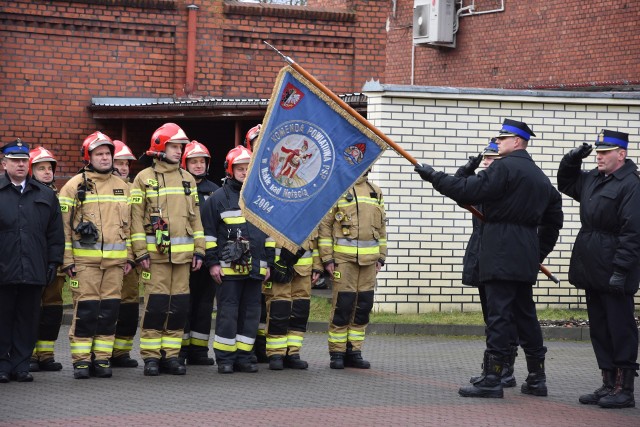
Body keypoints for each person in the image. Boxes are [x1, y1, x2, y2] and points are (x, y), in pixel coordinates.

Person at [415, 119, 563, 399]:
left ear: (517, 142)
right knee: (525, 315)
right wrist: (536, 252)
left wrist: (434, 176)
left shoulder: (504, 168)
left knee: (498, 317)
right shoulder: (539, 177)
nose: (497, 143)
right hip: (523, 256)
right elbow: (555, 219)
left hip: (499, 253)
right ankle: (536, 377)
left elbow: (467, 191)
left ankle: (493, 378)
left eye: (502, 139)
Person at [557, 129, 640, 409]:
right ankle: (607, 382)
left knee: (620, 327)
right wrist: (572, 160)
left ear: (622, 154)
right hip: (592, 263)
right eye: (598, 152)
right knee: (600, 328)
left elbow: (633, 233)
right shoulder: (593, 178)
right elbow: (566, 183)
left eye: (605, 152)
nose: (599, 157)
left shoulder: (631, 184)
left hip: (616, 266)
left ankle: (624, 388)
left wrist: (621, 270)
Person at [130, 123, 206, 376]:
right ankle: (151, 357)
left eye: (180, 147)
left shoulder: (188, 179)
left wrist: (199, 250)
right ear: (160, 147)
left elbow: (195, 218)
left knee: (178, 307)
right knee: (156, 306)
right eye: (174, 146)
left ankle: (171, 356)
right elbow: (135, 219)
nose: (179, 151)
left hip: (183, 258)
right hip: (155, 257)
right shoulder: (143, 179)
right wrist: (140, 252)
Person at [59, 131, 134, 379]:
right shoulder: (73, 186)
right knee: (87, 310)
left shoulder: (123, 187)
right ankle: (81, 361)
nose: (104, 158)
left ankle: (101, 359)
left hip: (115, 264)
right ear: (88, 156)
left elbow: (131, 228)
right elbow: (64, 228)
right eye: (99, 154)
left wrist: (130, 257)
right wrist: (67, 260)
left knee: (110, 310)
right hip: (85, 263)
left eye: (107, 154)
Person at [202, 145, 275, 374]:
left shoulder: (261, 197)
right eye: (239, 168)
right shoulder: (217, 198)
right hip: (229, 271)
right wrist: (213, 263)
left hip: (256, 268)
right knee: (228, 314)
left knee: (251, 314)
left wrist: (269, 263)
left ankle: (245, 357)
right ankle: (225, 358)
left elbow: (270, 233)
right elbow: (209, 234)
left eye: (248, 168)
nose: (244, 172)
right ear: (230, 170)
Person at [455, 139, 520, 388]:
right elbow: (459, 188)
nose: (485, 163)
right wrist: (469, 166)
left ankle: (505, 369)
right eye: (484, 158)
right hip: (482, 257)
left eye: (490, 159)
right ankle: (493, 367)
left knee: (504, 316)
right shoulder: (483, 186)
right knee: (490, 316)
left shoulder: (507, 188)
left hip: (502, 258)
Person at [0, 139, 64, 383]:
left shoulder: (45, 195)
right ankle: (2, 365)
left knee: (28, 320)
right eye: (15, 160)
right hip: (3, 269)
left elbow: (55, 234)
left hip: (34, 268)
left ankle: (21, 365)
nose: (20, 164)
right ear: (4, 163)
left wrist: (53, 263)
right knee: (3, 319)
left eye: (24, 160)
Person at [318, 169, 387, 370]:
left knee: (363, 307)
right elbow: (325, 228)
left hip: (369, 262)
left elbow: (382, 230)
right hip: (343, 261)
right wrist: (327, 258)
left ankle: (354, 351)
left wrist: (381, 257)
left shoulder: (376, 191)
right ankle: (337, 353)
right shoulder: (337, 191)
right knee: (343, 306)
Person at [179, 140, 220, 366]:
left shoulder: (215, 191)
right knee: (185, 303)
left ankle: (199, 350)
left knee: (205, 304)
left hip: (208, 257)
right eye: (193, 161)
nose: (198, 165)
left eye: (202, 161)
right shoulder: (180, 188)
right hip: (186, 255)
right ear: (186, 163)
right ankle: (182, 350)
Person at [27, 147, 66, 373]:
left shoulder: (58, 196)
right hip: (33, 263)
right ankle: (29, 353)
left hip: (55, 264)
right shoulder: (27, 196)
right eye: (41, 168)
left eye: (50, 168)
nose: (47, 172)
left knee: (52, 311)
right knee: (33, 310)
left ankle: (46, 355)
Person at [264, 234, 322, 371]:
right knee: (278, 309)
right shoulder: (273, 211)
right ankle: (276, 354)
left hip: (304, 270)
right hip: (279, 268)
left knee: (300, 310)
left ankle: (293, 353)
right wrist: (268, 263)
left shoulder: (309, 213)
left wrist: (317, 266)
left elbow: (317, 242)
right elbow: (265, 236)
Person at [110, 140, 141, 368]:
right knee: (106, 306)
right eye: (119, 163)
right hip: (106, 259)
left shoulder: (134, 190)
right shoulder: (94, 187)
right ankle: (102, 352)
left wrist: (134, 255)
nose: (123, 167)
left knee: (129, 305)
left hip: (130, 259)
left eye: (126, 164)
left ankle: (121, 352)